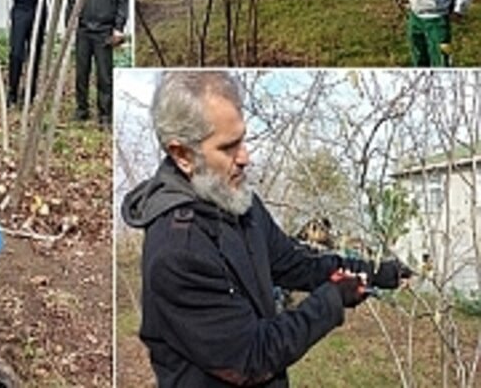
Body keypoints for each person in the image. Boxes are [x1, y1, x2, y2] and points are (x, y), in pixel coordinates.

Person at [120, 71, 414, 386]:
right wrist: (333, 299)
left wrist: (379, 272)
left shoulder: (237, 204)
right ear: (182, 155)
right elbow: (251, 357)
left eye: (242, 139)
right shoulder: (179, 251)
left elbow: (295, 263)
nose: (245, 157)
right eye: (228, 147)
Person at [67, 0, 128, 127]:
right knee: (81, 73)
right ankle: (82, 109)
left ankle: (105, 115)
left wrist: (119, 26)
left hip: (105, 32)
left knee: (104, 75)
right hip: (83, 30)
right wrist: (70, 22)